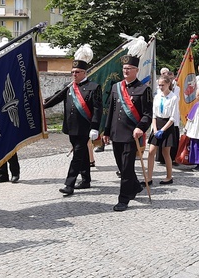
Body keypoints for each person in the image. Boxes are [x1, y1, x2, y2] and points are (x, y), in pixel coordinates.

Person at [43, 45, 102, 196]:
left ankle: (69, 184)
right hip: (71, 127)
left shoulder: (94, 87)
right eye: (72, 72)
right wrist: (42, 105)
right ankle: (86, 180)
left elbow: (97, 109)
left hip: (85, 128)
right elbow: (56, 98)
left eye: (77, 72)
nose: (74, 75)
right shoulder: (68, 87)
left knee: (77, 155)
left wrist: (95, 127)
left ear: (84, 72)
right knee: (80, 154)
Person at [102, 48, 152, 212]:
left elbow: (147, 115)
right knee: (123, 166)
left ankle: (123, 199)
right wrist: (107, 131)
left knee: (125, 168)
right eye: (124, 68)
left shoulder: (144, 90)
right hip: (116, 134)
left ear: (136, 70)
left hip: (132, 135)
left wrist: (140, 128)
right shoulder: (116, 88)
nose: (126, 70)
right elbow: (111, 111)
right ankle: (136, 186)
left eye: (129, 68)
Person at [146, 76, 178, 184]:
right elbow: (154, 114)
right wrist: (155, 129)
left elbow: (173, 117)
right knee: (151, 152)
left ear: (168, 84)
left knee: (165, 152)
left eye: (162, 85)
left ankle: (169, 177)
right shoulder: (157, 96)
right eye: (159, 85)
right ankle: (149, 177)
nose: (160, 87)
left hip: (167, 125)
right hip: (157, 124)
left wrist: (163, 130)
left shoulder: (173, 97)